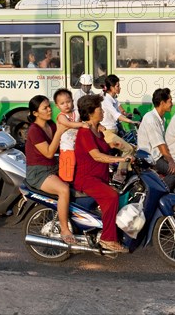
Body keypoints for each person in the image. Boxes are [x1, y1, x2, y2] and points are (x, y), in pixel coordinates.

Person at [75, 94, 132, 253]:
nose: (103, 111)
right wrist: (121, 158)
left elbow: (101, 148)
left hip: (99, 177)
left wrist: (113, 144)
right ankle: (107, 239)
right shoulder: (85, 132)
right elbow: (96, 155)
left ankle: (107, 231)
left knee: (119, 194)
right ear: (91, 112)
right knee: (112, 196)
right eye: (100, 108)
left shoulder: (97, 130)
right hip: (87, 179)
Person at [25, 94, 75, 242]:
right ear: (35, 113)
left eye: (49, 106)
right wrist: (60, 132)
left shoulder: (51, 125)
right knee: (63, 190)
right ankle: (65, 230)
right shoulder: (34, 130)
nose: (49, 110)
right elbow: (48, 153)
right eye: (45, 108)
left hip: (54, 167)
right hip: (38, 172)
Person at [137, 88, 175, 191]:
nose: (172, 104)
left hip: (156, 155)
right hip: (150, 158)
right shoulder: (151, 119)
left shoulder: (161, 118)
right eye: (170, 101)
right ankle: (158, 193)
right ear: (162, 103)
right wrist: (171, 161)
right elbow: (160, 144)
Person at [100, 74, 138, 182]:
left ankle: (128, 173)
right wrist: (132, 121)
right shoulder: (106, 101)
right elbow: (117, 115)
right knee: (128, 148)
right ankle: (119, 177)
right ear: (111, 87)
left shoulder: (114, 100)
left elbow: (120, 110)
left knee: (134, 147)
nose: (119, 88)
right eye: (117, 86)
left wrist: (127, 114)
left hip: (114, 131)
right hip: (107, 133)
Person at [54, 88, 88, 182]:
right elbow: (68, 124)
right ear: (57, 106)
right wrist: (82, 124)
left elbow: (86, 118)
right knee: (67, 169)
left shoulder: (76, 113)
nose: (66, 105)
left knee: (78, 168)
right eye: (62, 103)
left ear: (72, 101)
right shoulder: (61, 116)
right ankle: (65, 184)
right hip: (67, 148)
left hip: (78, 147)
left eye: (68, 101)